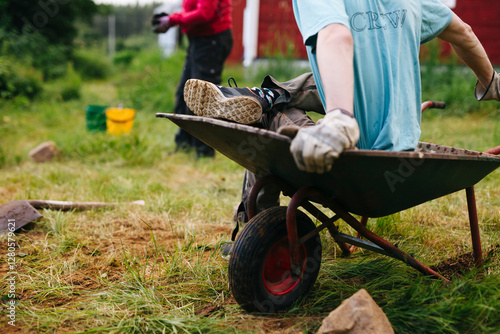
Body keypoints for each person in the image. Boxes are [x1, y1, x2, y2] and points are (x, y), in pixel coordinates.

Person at [182, 0, 500, 248]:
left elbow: (336, 35)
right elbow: (465, 33)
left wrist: (340, 119)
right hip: (400, 158)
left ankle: (256, 229)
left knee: (266, 120)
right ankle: (266, 95)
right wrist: (490, 83)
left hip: (350, 159)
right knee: (311, 86)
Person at [153, 0, 233, 158]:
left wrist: (172, 20)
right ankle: (185, 145)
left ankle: (204, 151)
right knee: (184, 94)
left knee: (201, 98)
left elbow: (204, 13)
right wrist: (172, 19)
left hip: (211, 42)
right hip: (198, 42)